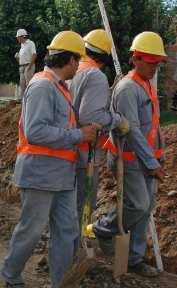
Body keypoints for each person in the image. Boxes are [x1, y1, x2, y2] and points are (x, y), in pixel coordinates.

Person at [0, 31, 102, 288]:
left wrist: (82, 134)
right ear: (67, 60)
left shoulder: (61, 87)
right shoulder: (43, 86)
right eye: (77, 61)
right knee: (31, 230)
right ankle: (10, 272)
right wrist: (79, 135)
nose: (78, 67)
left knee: (67, 234)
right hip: (40, 173)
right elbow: (35, 132)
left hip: (63, 175)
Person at [94, 31, 167, 277]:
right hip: (130, 159)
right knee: (138, 205)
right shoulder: (127, 89)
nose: (155, 67)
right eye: (150, 62)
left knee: (145, 210)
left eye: (158, 63)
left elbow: (153, 125)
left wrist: (159, 155)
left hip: (146, 158)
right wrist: (151, 162)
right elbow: (133, 131)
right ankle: (103, 228)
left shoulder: (146, 84)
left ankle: (134, 260)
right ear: (135, 59)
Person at [69, 29, 129, 226]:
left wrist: (110, 89)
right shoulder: (95, 75)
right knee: (84, 202)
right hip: (85, 151)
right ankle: (76, 245)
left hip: (67, 146)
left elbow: (81, 103)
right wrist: (117, 120)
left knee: (69, 201)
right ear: (104, 55)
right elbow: (91, 115)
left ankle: (67, 240)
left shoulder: (74, 69)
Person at [15, 29, 37, 100]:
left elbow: (34, 55)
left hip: (28, 65)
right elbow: (20, 61)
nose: (17, 38)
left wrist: (30, 66)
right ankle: (23, 101)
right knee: (22, 85)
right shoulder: (22, 45)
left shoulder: (30, 43)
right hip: (22, 67)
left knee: (29, 84)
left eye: (18, 37)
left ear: (22, 36)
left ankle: (31, 100)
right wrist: (17, 58)